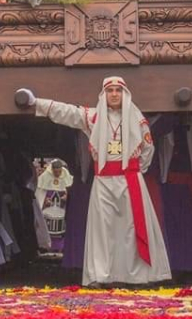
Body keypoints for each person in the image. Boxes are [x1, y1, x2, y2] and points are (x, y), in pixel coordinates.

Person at [22, 78, 171, 287]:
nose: (114, 94)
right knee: (102, 230)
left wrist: (135, 171)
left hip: (130, 180)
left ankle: (135, 275)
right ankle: (101, 275)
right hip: (103, 181)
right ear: (104, 94)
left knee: (131, 228)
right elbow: (66, 112)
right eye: (110, 90)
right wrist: (36, 102)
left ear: (125, 93)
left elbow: (148, 151)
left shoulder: (138, 120)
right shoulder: (93, 117)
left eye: (118, 90)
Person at [148, 113, 192, 276]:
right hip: (168, 186)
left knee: (190, 228)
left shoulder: (190, 121)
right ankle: (173, 267)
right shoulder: (155, 123)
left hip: (186, 185)